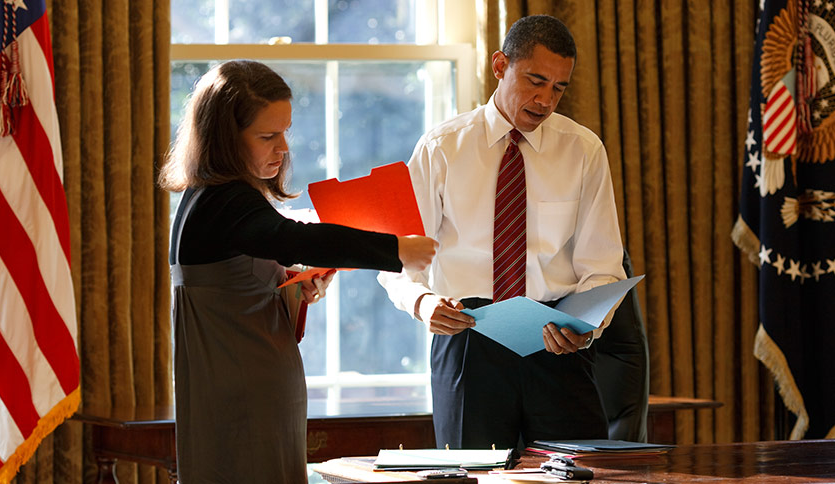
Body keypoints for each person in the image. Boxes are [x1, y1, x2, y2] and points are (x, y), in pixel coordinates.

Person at [159, 60, 437, 484]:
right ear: (225, 139)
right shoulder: (228, 201)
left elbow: (237, 279)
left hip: (235, 383)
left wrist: (291, 283)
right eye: (268, 136)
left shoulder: (205, 198)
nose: (284, 147)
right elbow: (293, 238)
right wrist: (396, 250)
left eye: (285, 131)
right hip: (245, 390)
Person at [378, 15, 626, 449]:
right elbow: (395, 257)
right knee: (469, 476)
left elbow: (603, 266)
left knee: (579, 476)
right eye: (535, 80)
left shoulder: (583, 150)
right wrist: (422, 302)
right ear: (500, 66)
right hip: (468, 338)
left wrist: (588, 326)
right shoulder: (442, 148)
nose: (546, 99)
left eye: (558, 87)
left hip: (556, 343)